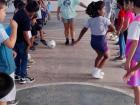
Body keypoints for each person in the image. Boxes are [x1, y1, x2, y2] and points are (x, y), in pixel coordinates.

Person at [74, 1, 115, 79]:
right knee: (106, 57)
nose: (105, 10)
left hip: (93, 42)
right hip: (101, 42)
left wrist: (78, 39)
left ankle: (95, 71)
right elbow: (113, 29)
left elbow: (83, 30)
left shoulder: (90, 20)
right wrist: (106, 31)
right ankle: (96, 72)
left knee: (100, 56)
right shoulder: (104, 19)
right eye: (103, 9)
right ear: (99, 11)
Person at [13, 0, 39, 84]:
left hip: (15, 39)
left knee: (17, 57)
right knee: (24, 59)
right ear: (32, 11)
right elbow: (25, 34)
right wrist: (29, 44)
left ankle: (17, 74)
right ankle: (23, 77)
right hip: (22, 42)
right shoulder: (26, 19)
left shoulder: (19, 12)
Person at [0, 0, 18, 104]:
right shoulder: (0, 28)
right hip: (4, 69)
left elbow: (4, 45)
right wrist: (14, 28)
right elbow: (11, 43)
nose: (5, 14)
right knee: (3, 98)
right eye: (4, 11)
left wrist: (8, 51)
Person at [123, 0, 140, 105]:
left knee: (136, 85)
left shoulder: (135, 22)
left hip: (135, 57)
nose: (128, 5)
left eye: (129, 3)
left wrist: (128, 61)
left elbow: (134, 43)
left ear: (133, 5)